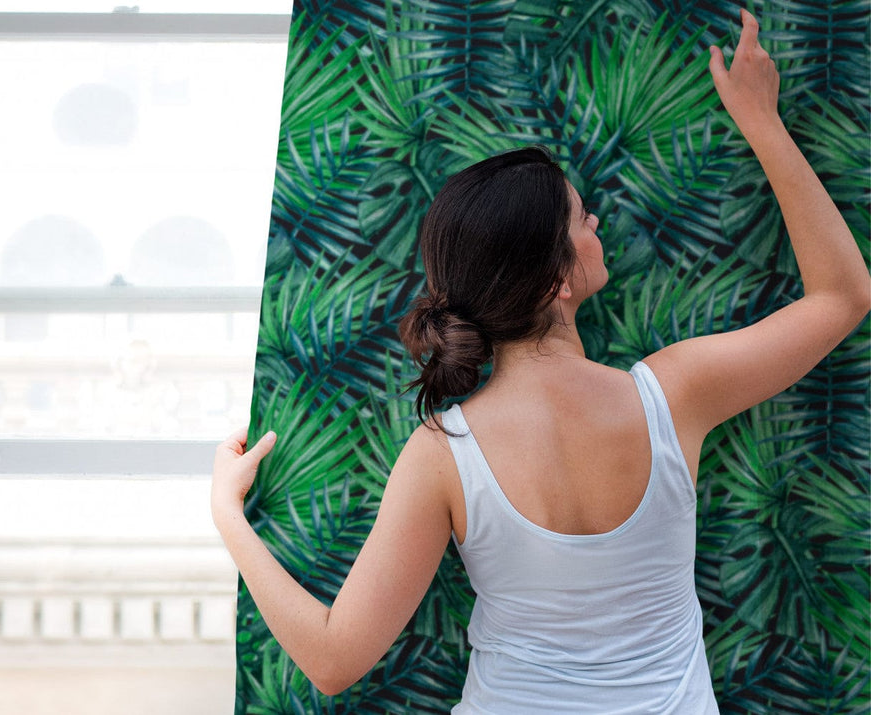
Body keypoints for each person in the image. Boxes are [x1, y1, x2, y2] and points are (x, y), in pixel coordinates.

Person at [211, 10, 870, 713]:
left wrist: (228, 515)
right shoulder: (674, 394)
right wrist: (761, 120)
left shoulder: (443, 455)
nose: (596, 222)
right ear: (557, 279)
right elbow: (843, 295)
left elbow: (333, 659)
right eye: (580, 218)